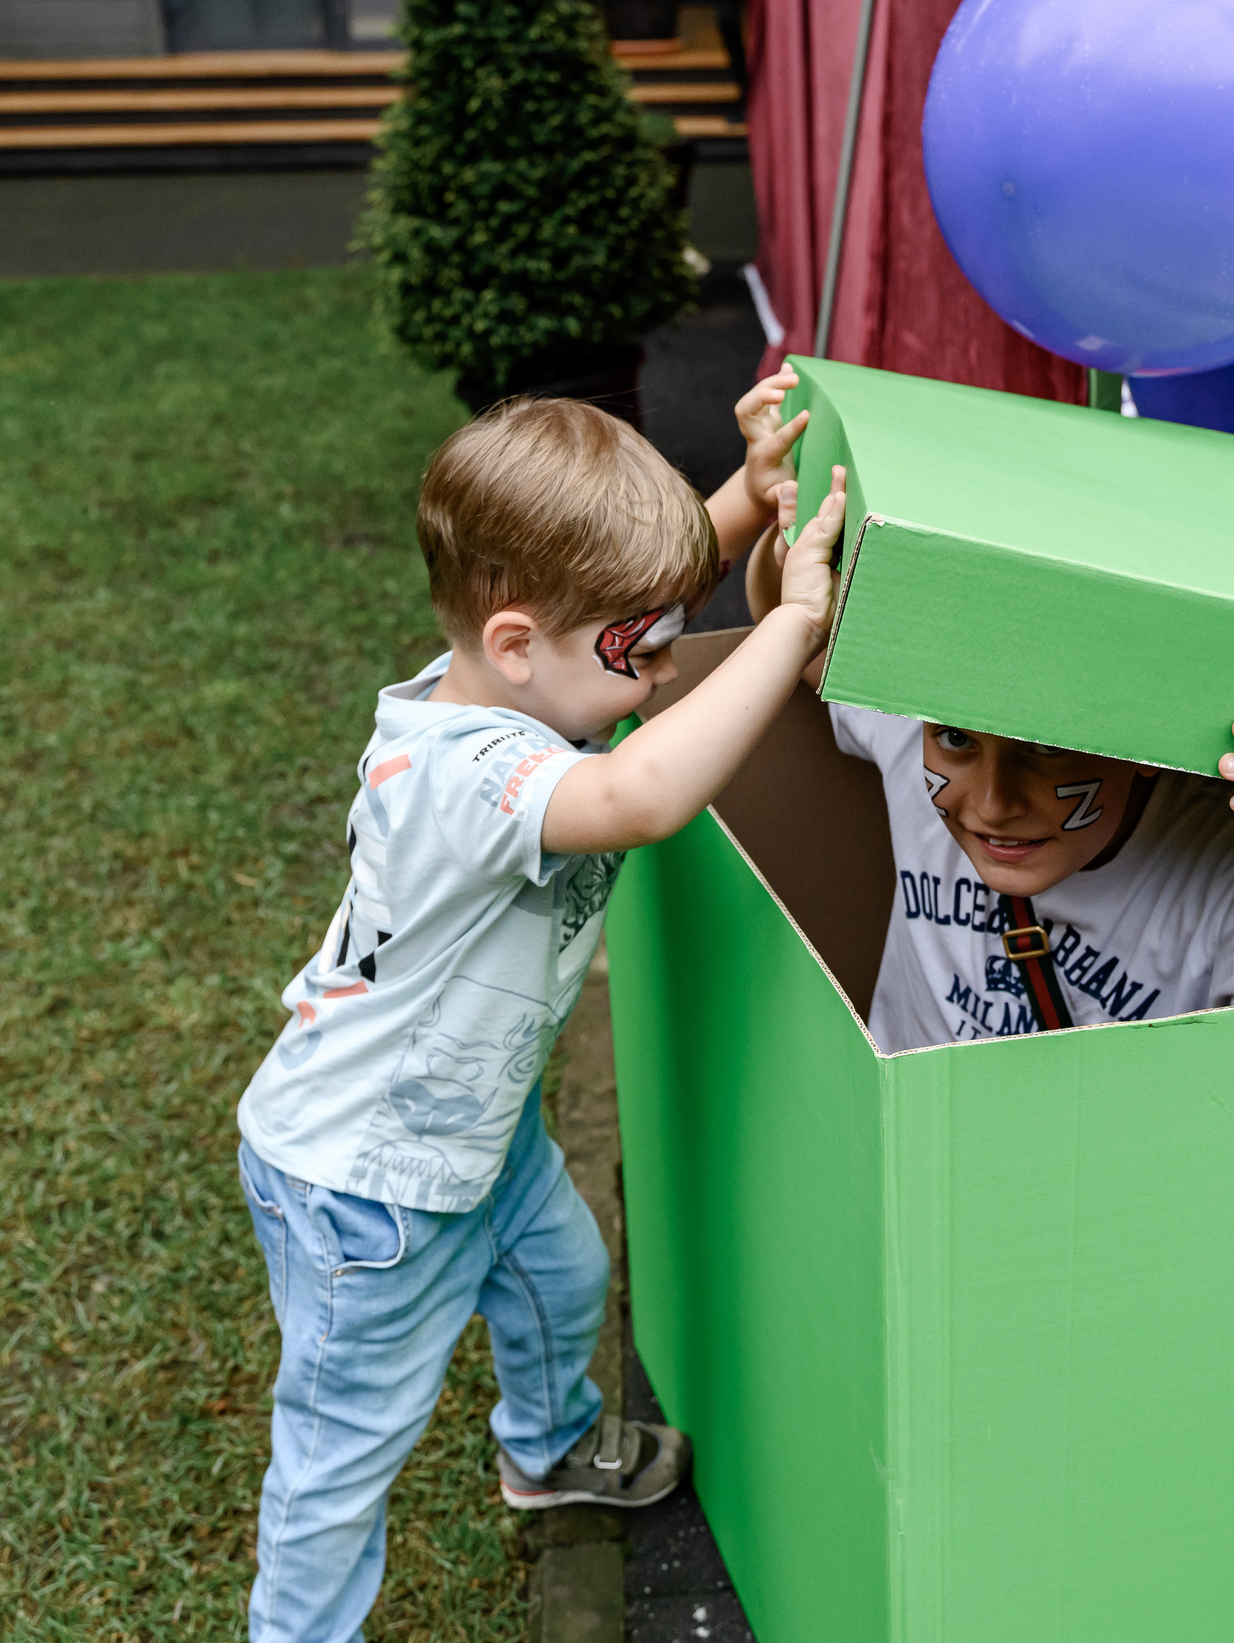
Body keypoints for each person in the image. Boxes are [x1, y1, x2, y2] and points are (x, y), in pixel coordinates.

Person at [230, 376, 844, 1643]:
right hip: (366, 1188)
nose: (665, 664)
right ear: (516, 643)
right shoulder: (470, 772)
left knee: (565, 1278)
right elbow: (643, 799)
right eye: (640, 649)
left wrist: (742, 493)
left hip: (469, 1132)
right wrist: (786, 631)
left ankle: (548, 1449)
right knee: (341, 1458)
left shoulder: (520, 682)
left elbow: (626, 626)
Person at [743, 455, 1234, 1054]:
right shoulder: (909, 728)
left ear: (1147, 750)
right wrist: (786, 520)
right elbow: (792, 626)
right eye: (959, 738)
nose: (993, 805)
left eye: (1045, 751)